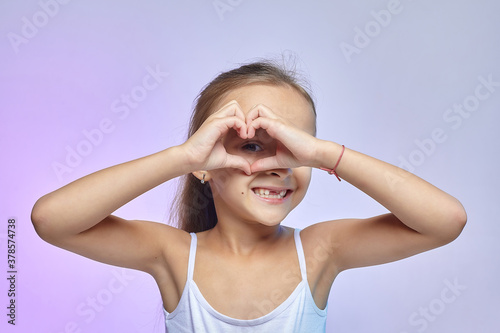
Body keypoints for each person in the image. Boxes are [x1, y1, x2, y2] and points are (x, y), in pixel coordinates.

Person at [31, 61, 467, 332]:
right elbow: (52, 219)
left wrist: (323, 154)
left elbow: (445, 220)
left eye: (292, 147)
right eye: (252, 146)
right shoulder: (174, 254)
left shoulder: (318, 251)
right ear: (205, 162)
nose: (278, 165)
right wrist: (182, 157)